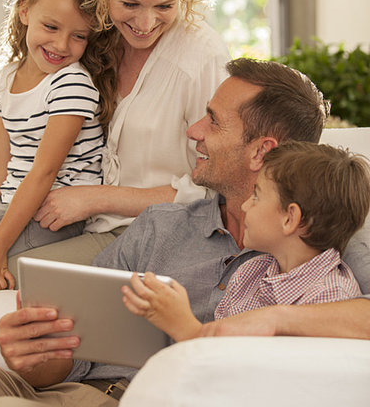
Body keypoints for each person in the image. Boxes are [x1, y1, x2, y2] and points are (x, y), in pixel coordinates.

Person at [0, 57, 362, 407]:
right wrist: (38, 356)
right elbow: (74, 353)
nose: (194, 131)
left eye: (213, 121)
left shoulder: (327, 242)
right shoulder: (162, 226)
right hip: (73, 394)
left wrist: (272, 319)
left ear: (261, 151)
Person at [5, 0, 229, 276]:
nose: (144, 23)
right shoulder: (92, 36)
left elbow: (212, 189)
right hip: (77, 220)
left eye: (164, 6)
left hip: (153, 237)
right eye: (129, 3)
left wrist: (96, 198)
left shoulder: (201, 57)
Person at [122, 141, 370, 342]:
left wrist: (184, 327)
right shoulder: (250, 272)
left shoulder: (331, 297)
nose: (244, 205)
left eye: (256, 196)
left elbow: (255, 384)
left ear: (290, 218)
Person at [0, 0, 106, 290]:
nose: (61, 45)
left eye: (79, 36)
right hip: (12, 205)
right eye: (51, 27)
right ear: (25, 10)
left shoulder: (71, 83)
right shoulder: (6, 78)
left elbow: (44, 173)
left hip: (53, 215)